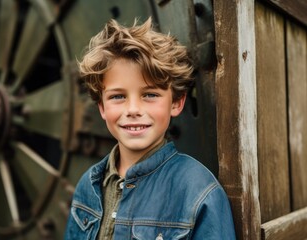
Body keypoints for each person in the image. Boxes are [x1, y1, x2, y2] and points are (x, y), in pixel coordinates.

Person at [64, 17, 236, 239]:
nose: (133, 109)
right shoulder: (88, 185)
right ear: (102, 107)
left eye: (150, 95)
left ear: (176, 102)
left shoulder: (198, 191)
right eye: (117, 96)